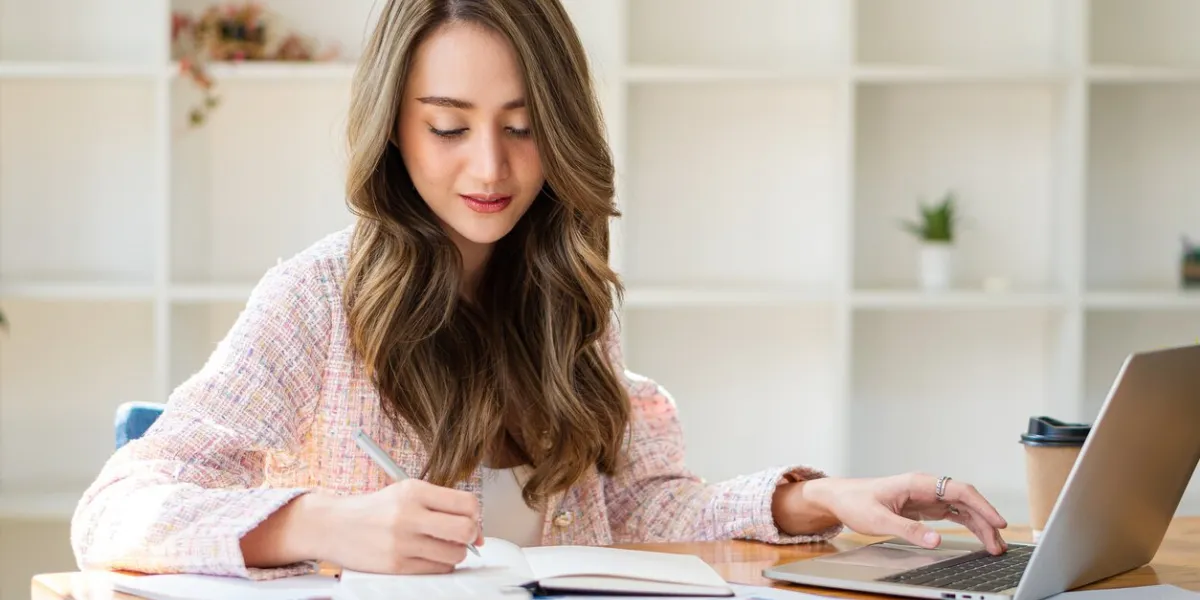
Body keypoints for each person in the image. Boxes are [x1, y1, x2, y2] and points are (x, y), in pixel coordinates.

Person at [70, 0, 1009, 581]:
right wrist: (320, 524)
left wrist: (821, 499)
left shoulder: (563, 292)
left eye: (522, 127)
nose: (491, 167)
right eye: (449, 127)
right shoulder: (316, 301)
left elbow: (634, 514)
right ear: (393, 129)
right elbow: (115, 511)